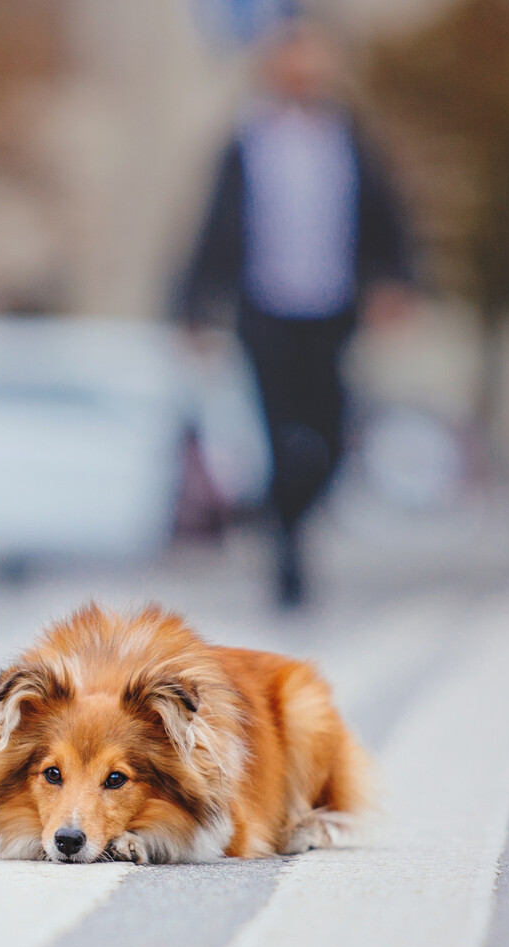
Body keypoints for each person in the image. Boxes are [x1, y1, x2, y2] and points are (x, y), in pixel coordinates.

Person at [172, 19, 415, 609]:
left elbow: (389, 223)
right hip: (266, 309)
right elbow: (211, 231)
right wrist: (193, 309)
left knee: (330, 434)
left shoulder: (352, 140)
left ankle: (285, 519)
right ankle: (288, 556)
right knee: (279, 433)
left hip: (332, 309)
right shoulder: (245, 143)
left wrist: (396, 284)